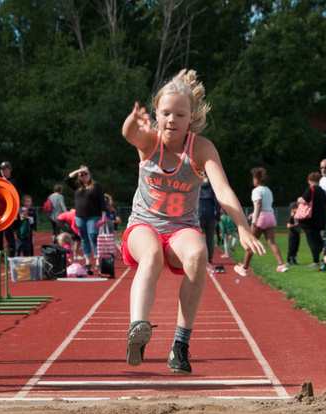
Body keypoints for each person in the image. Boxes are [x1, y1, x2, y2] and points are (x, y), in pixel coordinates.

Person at [121, 69, 265, 374]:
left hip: (181, 228)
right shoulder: (149, 141)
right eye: (165, 113)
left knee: (199, 253)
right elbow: (129, 135)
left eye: (180, 115)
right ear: (156, 115)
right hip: (143, 225)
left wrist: (242, 227)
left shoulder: (201, 148)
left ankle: (180, 345)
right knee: (151, 254)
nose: (172, 120)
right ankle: (138, 328)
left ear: (191, 118)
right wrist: (133, 120)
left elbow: (222, 190)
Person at [235, 167, 288, 276]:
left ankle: (244, 268)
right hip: (270, 216)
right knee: (271, 242)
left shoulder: (256, 191)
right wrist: (253, 214)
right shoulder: (268, 189)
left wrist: (255, 218)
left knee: (251, 242)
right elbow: (266, 205)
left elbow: (259, 203)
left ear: (256, 179)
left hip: (261, 218)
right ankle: (281, 265)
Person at [65, 165, 106, 272]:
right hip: (80, 216)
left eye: (85, 174)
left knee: (93, 237)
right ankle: (88, 262)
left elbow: (102, 201)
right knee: (83, 239)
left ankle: (98, 260)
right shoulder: (78, 186)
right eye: (81, 175)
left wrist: (103, 216)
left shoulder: (96, 186)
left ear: (89, 175)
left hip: (93, 216)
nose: (84, 176)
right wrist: (78, 171)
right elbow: (67, 179)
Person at [298, 171, 326, 267]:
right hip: (320, 219)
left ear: (309, 180)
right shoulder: (322, 191)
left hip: (310, 220)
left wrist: (299, 199)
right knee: (318, 238)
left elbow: (306, 200)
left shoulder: (310, 189)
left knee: (312, 241)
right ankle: (325, 252)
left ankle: (315, 261)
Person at [0, 161, 17, 257]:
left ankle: (11, 256)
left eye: (5, 169)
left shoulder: (12, 181)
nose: (2, 171)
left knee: (9, 234)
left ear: (10, 169)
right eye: (1, 169)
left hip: (8, 211)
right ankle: (0, 255)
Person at [197, 177, 220, 271]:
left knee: (197, 238)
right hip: (210, 216)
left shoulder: (198, 188)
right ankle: (209, 259)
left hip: (199, 216)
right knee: (210, 239)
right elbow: (217, 203)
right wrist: (217, 216)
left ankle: (198, 258)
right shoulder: (212, 189)